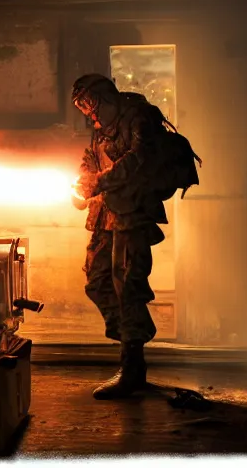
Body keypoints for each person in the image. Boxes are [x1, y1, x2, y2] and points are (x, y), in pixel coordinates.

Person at [71, 73, 169, 400]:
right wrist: (83, 184)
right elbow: (90, 161)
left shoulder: (140, 117)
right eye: (84, 109)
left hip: (133, 214)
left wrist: (98, 182)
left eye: (92, 105)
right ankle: (132, 333)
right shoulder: (100, 127)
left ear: (107, 97)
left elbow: (139, 160)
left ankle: (132, 366)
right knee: (98, 281)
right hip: (105, 213)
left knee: (127, 285)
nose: (90, 115)